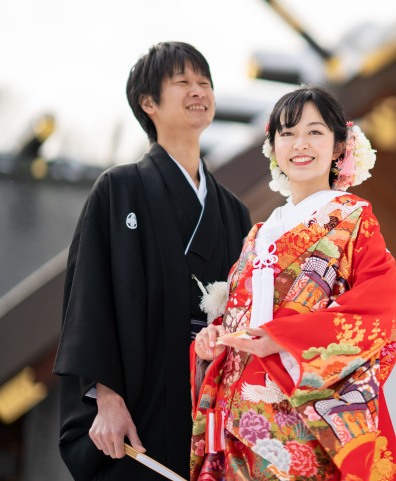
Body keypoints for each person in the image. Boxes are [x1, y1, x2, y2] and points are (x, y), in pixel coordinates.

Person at [53, 42, 252, 481]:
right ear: (148, 103)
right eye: (182, 82)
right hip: (140, 407)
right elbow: (89, 298)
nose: (198, 90)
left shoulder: (233, 212)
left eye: (205, 82)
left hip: (213, 411)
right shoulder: (117, 189)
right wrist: (106, 397)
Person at [190, 86, 396, 480]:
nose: (299, 144)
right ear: (272, 146)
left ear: (340, 145)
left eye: (315, 132)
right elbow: (241, 318)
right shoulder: (259, 234)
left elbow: (380, 309)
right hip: (240, 413)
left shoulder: (353, 219)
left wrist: (283, 337)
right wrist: (215, 338)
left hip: (302, 415)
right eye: (287, 133)